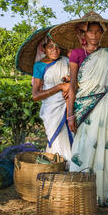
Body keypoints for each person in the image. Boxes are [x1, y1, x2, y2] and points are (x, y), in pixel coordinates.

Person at [66, 21, 108, 207]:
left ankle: (105, 191)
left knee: (105, 145)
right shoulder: (76, 54)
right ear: (84, 34)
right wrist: (70, 114)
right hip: (84, 107)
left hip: (105, 106)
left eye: (97, 32)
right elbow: (73, 86)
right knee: (85, 146)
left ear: (102, 34)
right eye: (90, 31)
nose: (94, 35)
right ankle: (83, 191)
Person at [31, 38, 72, 167]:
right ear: (43, 49)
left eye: (57, 47)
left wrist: (69, 83)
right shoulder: (39, 66)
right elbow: (35, 95)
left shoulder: (65, 61)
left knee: (71, 137)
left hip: (68, 105)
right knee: (56, 140)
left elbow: (74, 79)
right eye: (50, 47)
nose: (55, 50)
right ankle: (59, 167)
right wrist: (59, 87)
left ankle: (70, 167)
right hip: (51, 109)